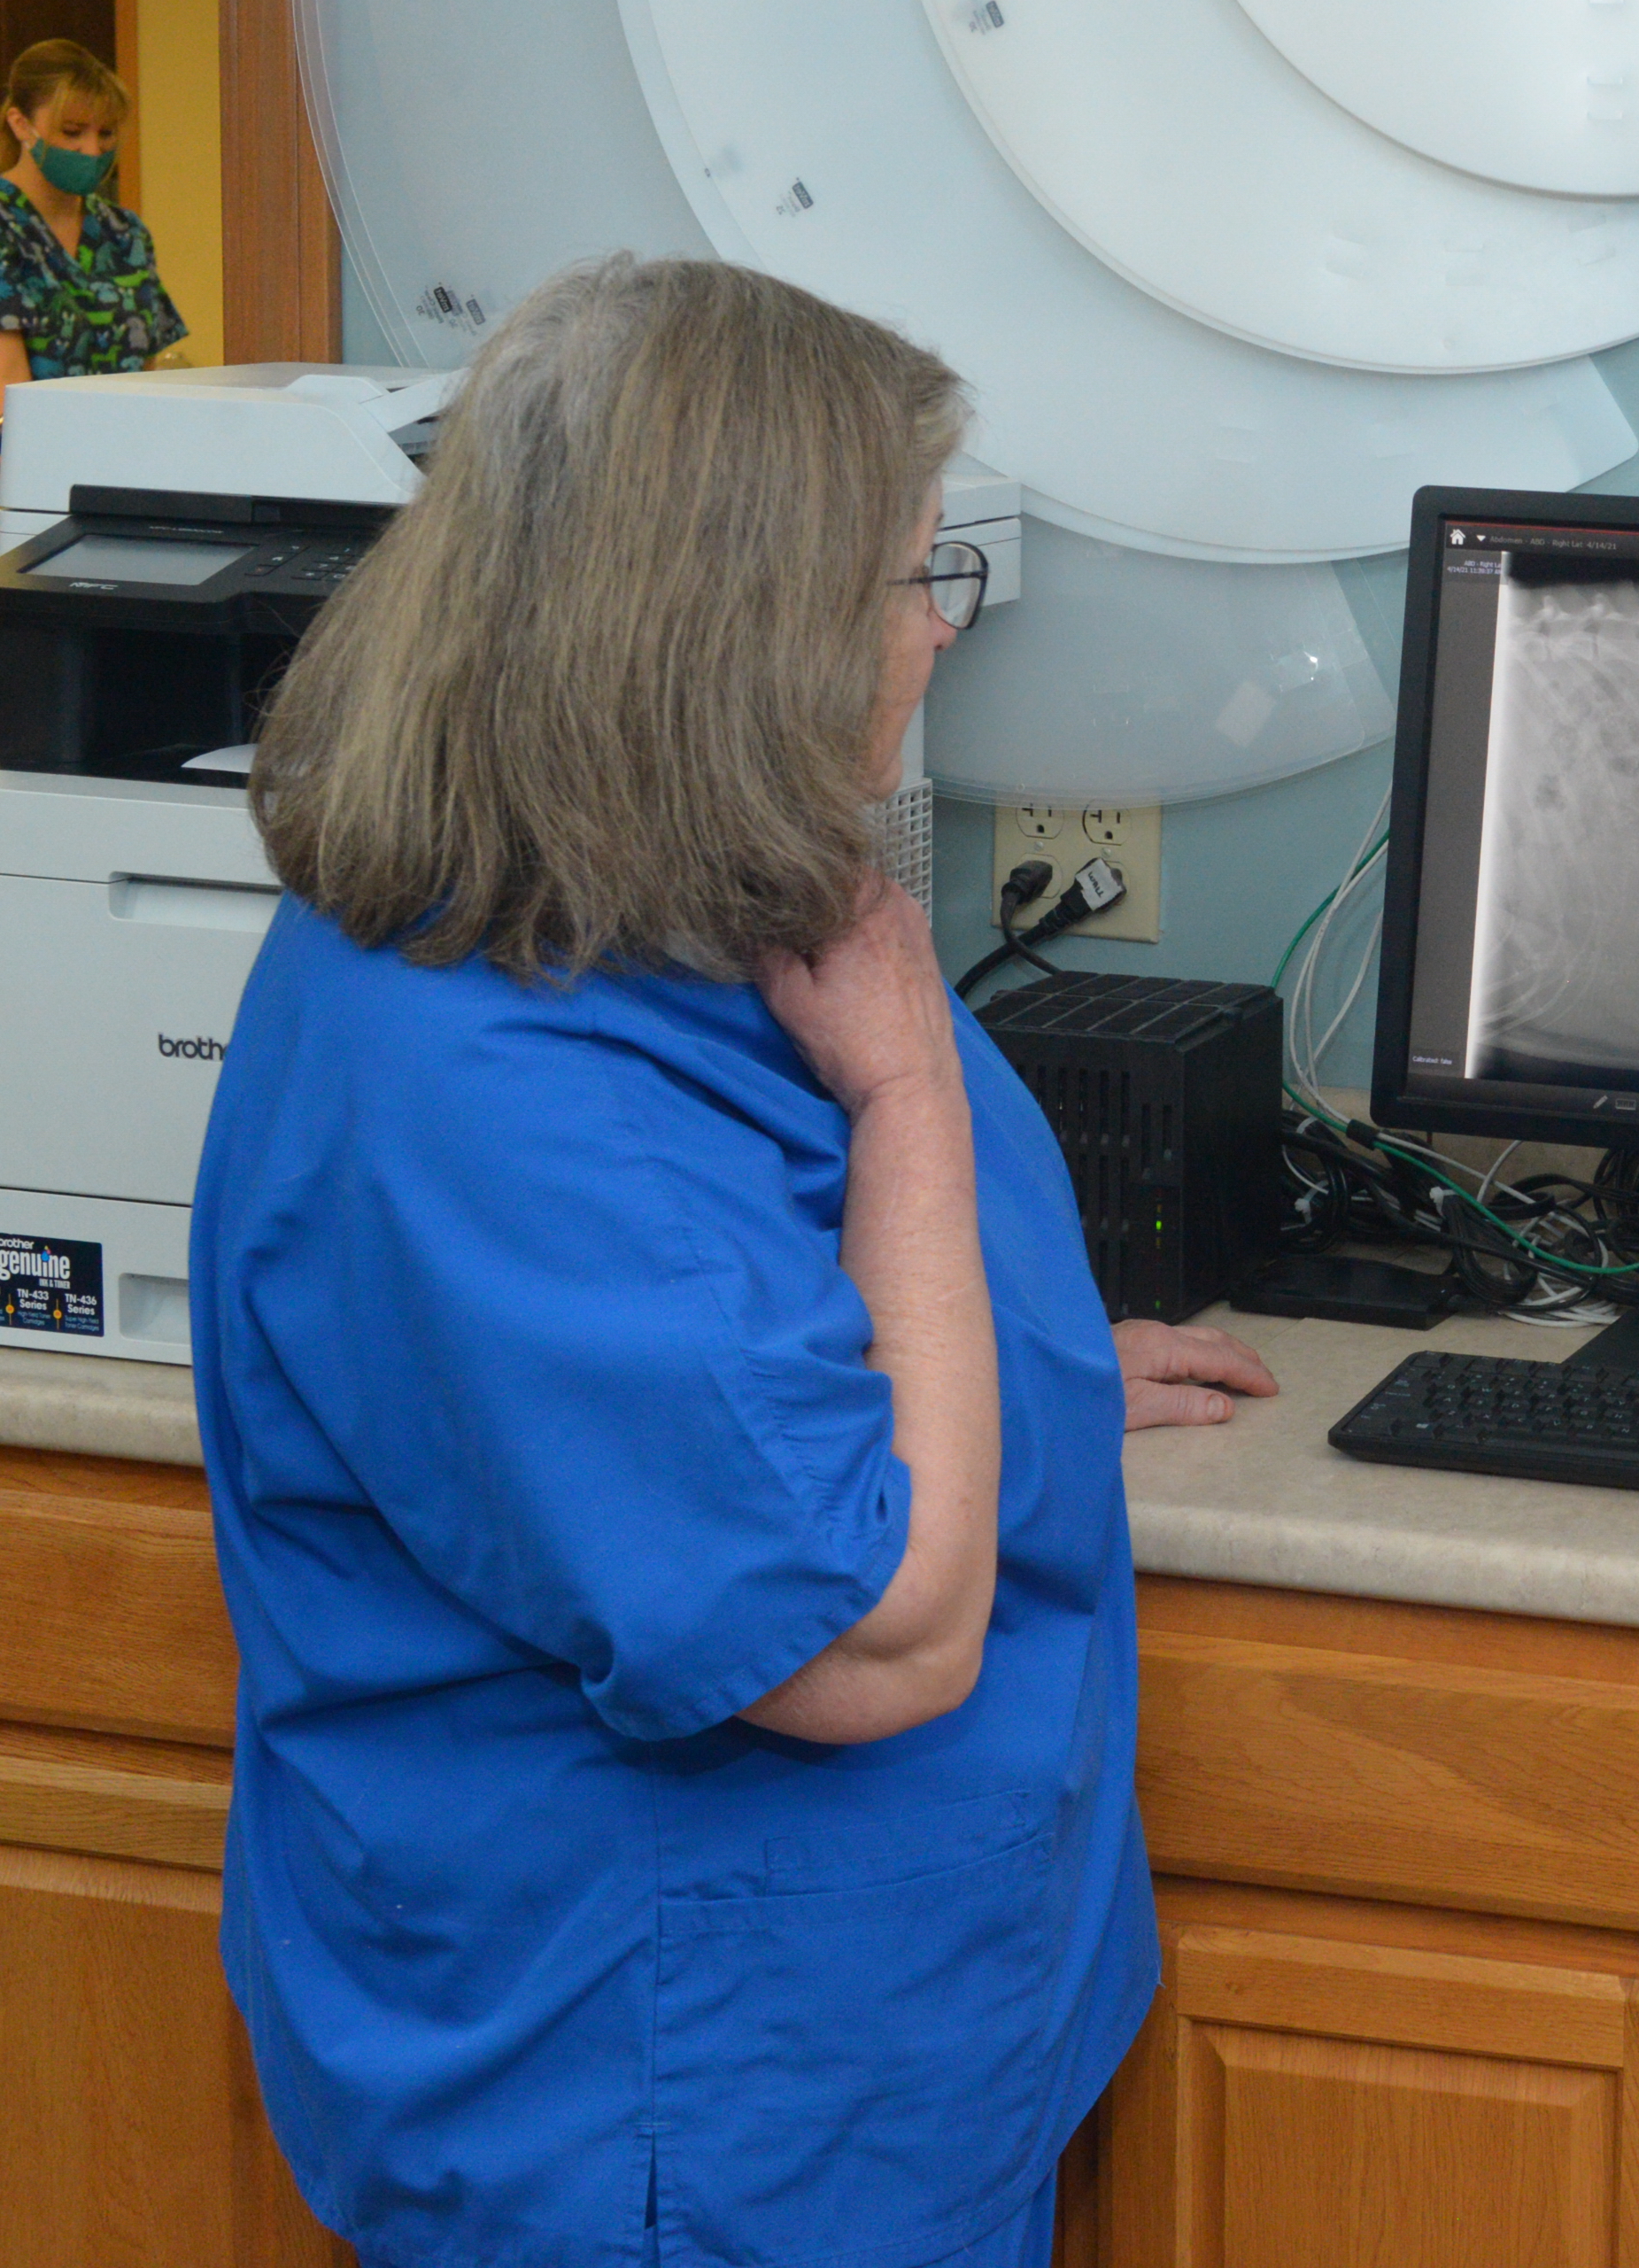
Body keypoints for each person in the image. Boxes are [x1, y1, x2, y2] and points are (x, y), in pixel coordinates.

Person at [191, 255, 1274, 2268]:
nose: (931, 633)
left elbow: (702, 1355)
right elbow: (865, 1641)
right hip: (678, 2107)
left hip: (833, 2052)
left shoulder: (626, 903)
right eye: (902, 578)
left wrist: (1013, 1350)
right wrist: (911, 1111)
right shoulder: (496, 1079)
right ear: (733, 638)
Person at [0, 38, 184, 387]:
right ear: (21, 124)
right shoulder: (6, 225)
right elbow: (6, 387)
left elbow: (147, 368)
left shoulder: (125, 233)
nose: (92, 149)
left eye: (106, 133)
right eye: (72, 132)